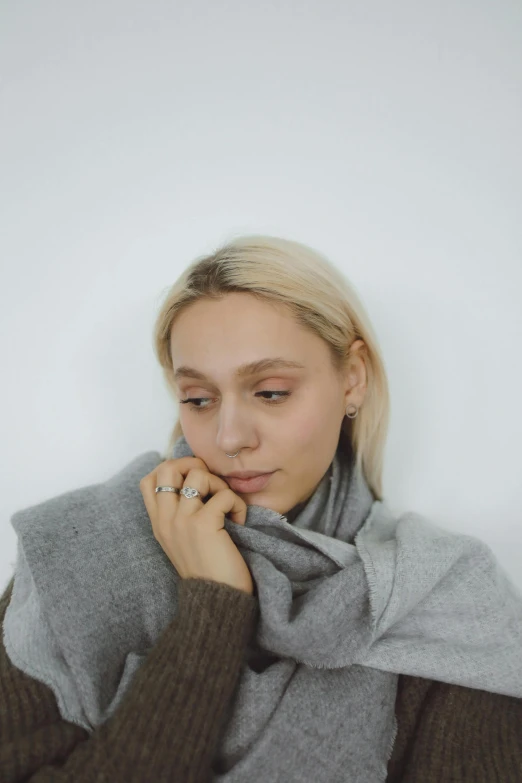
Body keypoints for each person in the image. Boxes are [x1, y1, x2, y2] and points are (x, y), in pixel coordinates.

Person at [1, 235, 521, 782]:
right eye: (199, 399)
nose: (229, 437)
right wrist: (214, 607)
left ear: (353, 378)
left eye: (270, 392)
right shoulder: (76, 553)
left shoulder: (447, 601)